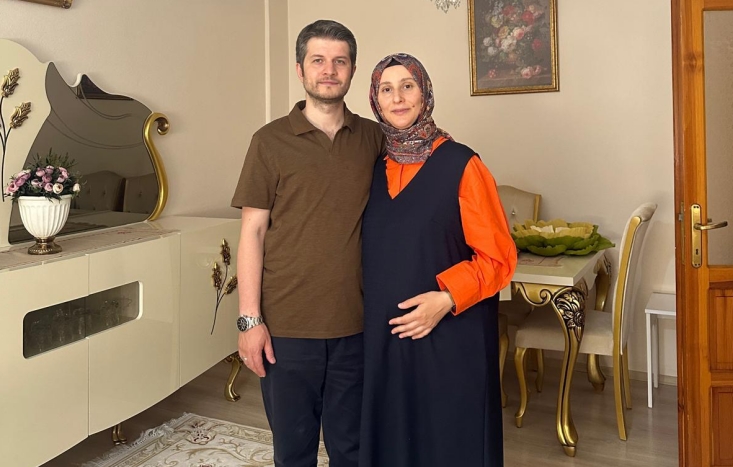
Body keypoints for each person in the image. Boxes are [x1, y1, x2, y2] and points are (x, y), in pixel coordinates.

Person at [230, 20, 384, 467]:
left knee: (353, 450)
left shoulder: (374, 139)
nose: (329, 70)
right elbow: (252, 233)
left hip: (357, 325)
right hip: (286, 327)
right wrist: (249, 321)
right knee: (293, 452)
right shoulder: (269, 141)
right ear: (300, 69)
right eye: (318, 60)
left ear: (352, 70)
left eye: (340, 61)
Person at [359, 53, 517, 467]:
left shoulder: (462, 164)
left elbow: (499, 258)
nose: (397, 98)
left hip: (450, 336)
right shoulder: (370, 168)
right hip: (385, 341)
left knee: (448, 442)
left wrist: (446, 298)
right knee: (394, 440)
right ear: (375, 99)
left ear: (425, 93)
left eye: (407, 86)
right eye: (386, 89)